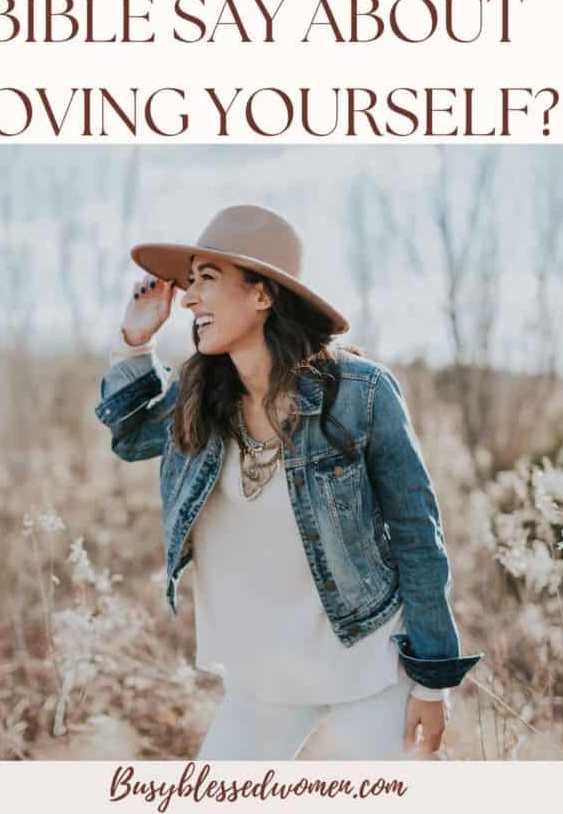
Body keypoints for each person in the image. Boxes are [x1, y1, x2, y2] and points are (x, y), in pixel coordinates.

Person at [95, 204, 484, 760]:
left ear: (263, 294)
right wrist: (135, 344)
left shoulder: (360, 392)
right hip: (264, 678)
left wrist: (432, 678)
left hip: (367, 664)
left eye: (206, 279)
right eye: (190, 283)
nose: (188, 298)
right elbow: (130, 438)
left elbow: (418, 531)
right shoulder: (200, 395)